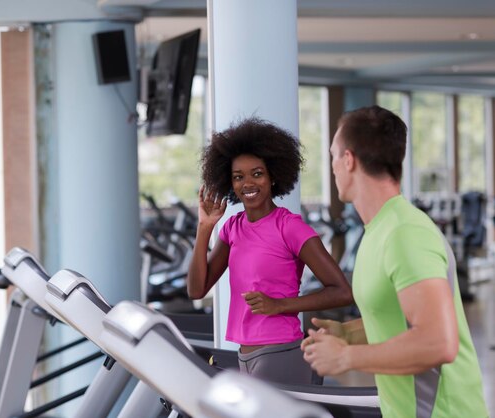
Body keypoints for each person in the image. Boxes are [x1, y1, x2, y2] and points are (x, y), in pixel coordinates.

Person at [301, 105, 488, 417]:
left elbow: (438, 343)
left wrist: (347, 357)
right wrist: (348, 334)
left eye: (333, 155)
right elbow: (397, 318)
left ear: (349, 160)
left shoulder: (405, 233)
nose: (332, 166)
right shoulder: (380, 230)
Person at [187, 117, 353, 385]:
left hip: (281, 353)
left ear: (273, 176)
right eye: (238, 177)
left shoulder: (289, 227)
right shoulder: (232, 228)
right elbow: (196, 290)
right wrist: (205, 227)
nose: (247, 183)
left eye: (257, 173)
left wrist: (280, 305)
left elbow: (342, 291)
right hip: (244, 355)